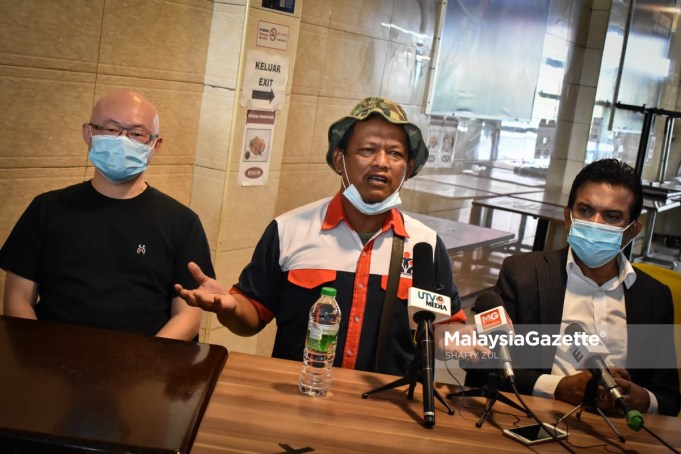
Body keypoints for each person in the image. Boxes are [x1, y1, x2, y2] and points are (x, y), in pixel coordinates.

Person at [175, 97, 467, 375]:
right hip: (297, 395)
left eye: (395, 153)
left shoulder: (425, 245)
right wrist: (228, 308)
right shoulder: (289, 230)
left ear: (409, 168)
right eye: (367, 150)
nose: (381, 162)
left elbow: (444, 332)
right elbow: (251, 316)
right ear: (340, 159)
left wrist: (484, 344)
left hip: (386, 408)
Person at [467, 159, 680, 416]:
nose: (595, 223)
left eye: (612, 216)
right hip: (538, 421)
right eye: (586, 210)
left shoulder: (655, 298)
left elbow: (668, 399)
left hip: (621, 433)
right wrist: (557, 387)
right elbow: (483, 368)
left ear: (632, 230)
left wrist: (643, 399)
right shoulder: (523, 275)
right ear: (568, 217)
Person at [0, 90, 215, 341]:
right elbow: (17, 301)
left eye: (136, 134)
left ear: (155, 145)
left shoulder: (182, 222)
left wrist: (147, 364)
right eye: (111, 130)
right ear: (88, 134)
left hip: (145, 368)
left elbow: (187, 317)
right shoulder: (45, 209)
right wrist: (40, 360)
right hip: (50, 365)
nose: (122, 140)